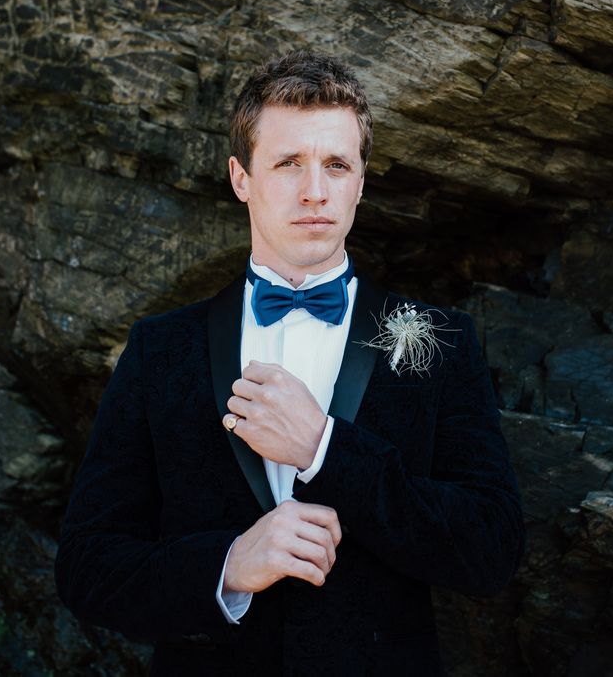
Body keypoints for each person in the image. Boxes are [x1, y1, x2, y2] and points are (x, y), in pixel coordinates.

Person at [55, 50, 524, 677]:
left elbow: (491, 550)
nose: (314, 191)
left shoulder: (443, 341)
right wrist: (228, 566)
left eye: (336, 165)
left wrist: (327, 451)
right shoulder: (160, 348)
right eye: (286, 164)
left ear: (362, 182)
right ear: (240, 178)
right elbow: (86, 568)